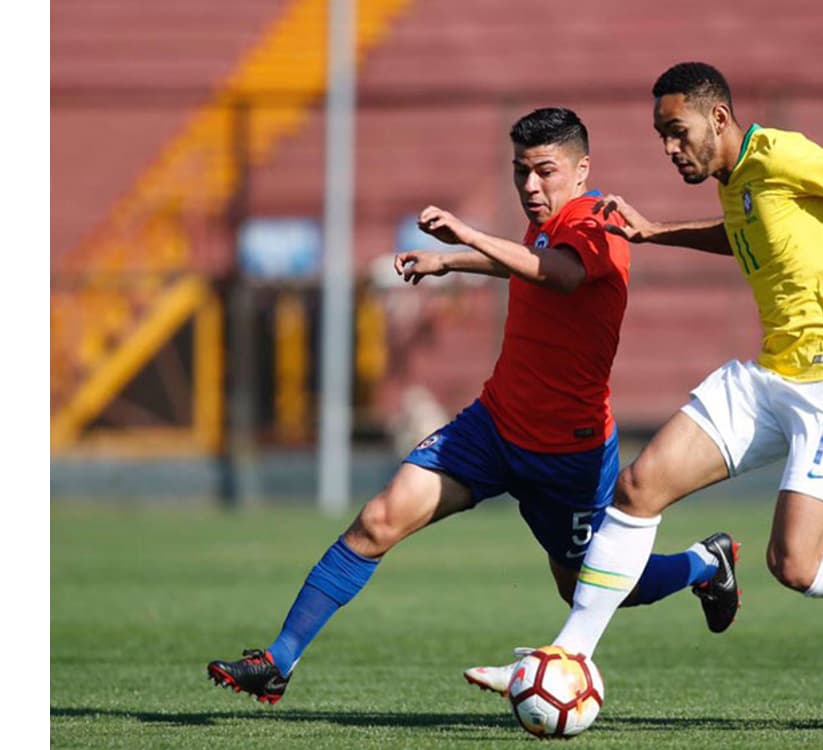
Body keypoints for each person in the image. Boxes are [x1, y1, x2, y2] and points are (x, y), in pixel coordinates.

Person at [516, 62, 823, 712]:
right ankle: (571, 652)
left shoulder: (783, 153)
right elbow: (745, 233)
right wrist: (656, 230)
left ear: (718, 118)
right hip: (771, 378)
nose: (669, 148)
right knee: (640, 488)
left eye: (677, 132)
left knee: (795, 566)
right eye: (662, 136)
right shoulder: (736, 176)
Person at [206, 107, 740, 705]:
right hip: (492, 427)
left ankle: (705, 563)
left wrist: (465, 236)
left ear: (582, 168)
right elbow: (528, 258)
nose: (531, 187)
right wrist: (448, 262)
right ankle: (279, 660)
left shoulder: (600, 223)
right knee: (380, 518)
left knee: (587, 589)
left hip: (570, 453)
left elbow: (558, 275)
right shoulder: (546, 224)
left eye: (545, 171)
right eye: (520, 173)